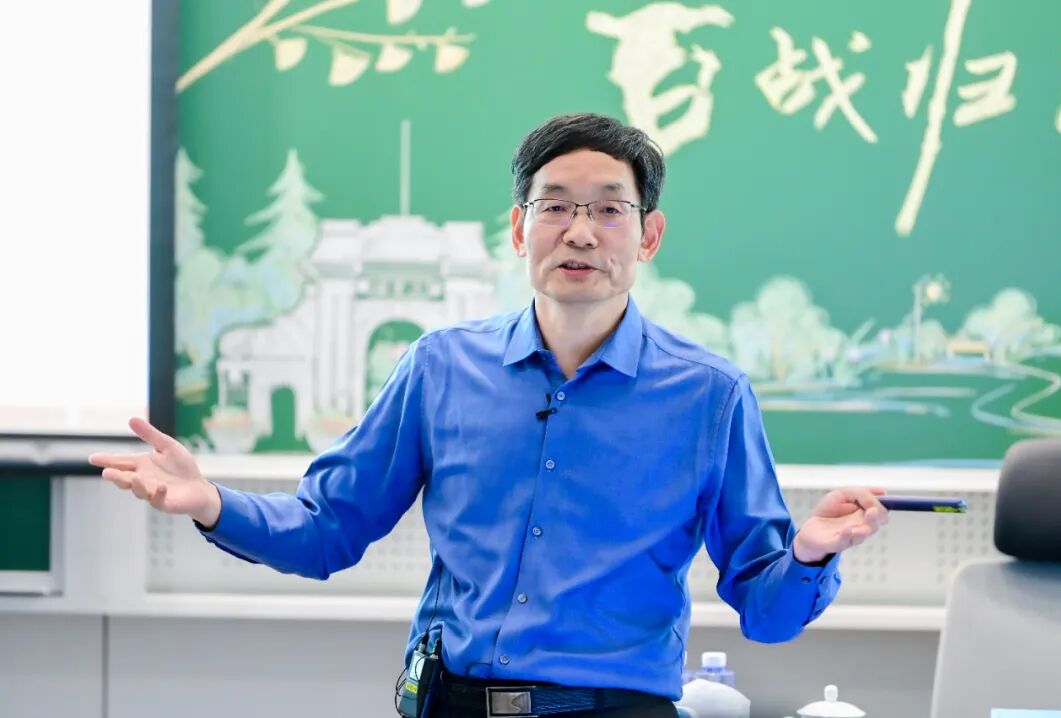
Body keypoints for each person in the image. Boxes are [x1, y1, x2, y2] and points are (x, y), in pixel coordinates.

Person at [89, 113, 888, 718]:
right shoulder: (440, 368)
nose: (580, 232)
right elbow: (328, 528)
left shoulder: (710, 396)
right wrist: (211, 502)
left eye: (609, 210)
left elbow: (767, 615)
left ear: (649, 236)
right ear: (518, 228)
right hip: (451, 702)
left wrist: (809, 551)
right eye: (555, 207)